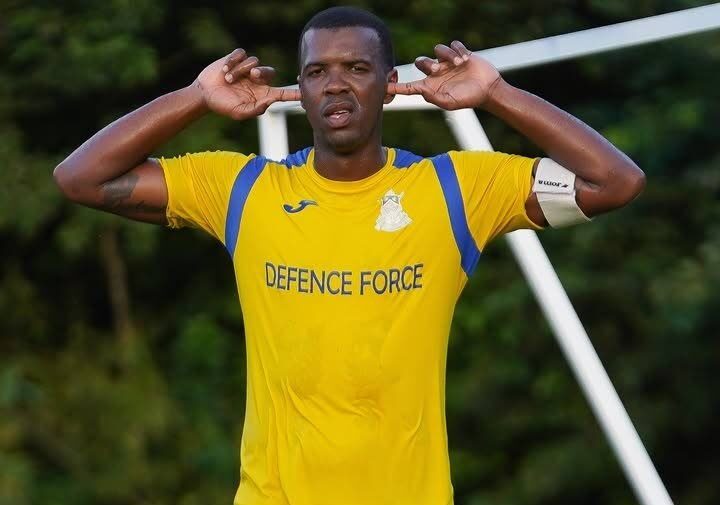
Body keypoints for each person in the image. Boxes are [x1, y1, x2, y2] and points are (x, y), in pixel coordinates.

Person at [53, 6, 645, 505]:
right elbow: (80, 179)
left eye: (356, 68)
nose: (335, 84)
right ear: (300, 89)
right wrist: (195, 98)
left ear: (389, 82)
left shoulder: (456, 191)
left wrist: (495, 94)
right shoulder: (242, 190)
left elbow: (614, 182)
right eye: (317, 71)